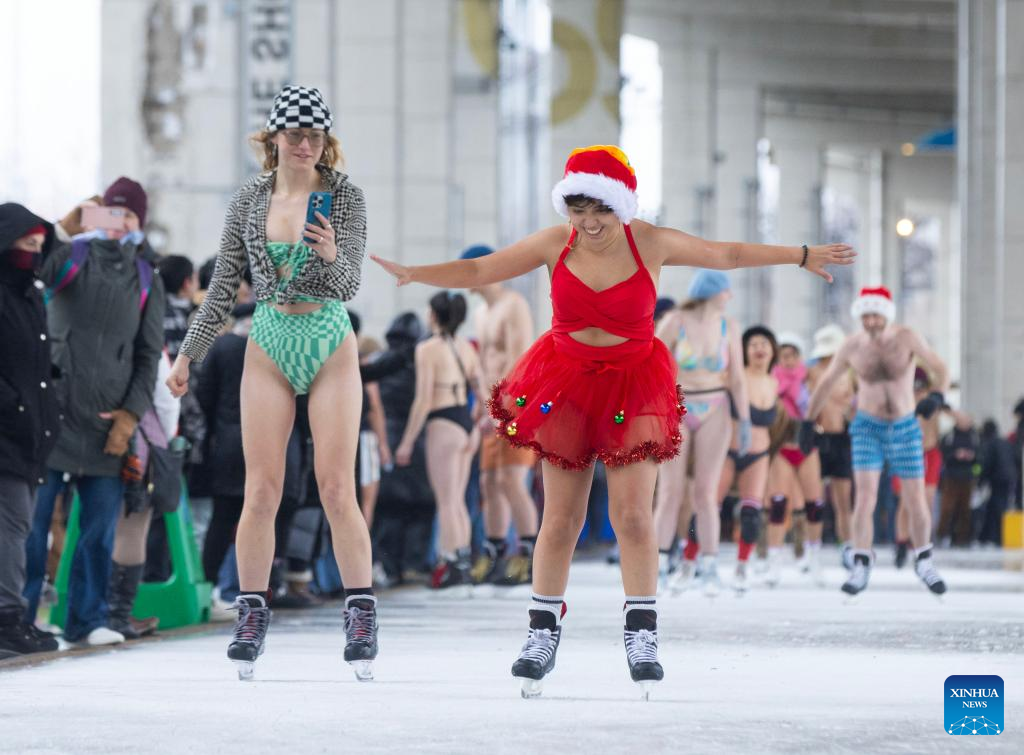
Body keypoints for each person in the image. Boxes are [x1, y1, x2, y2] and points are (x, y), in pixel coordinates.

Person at [373, 144, 853, 696]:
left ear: (619, 205)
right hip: (565, 384)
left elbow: (729, 254)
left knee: (632, 516)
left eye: (598, 210)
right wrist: (416, 272)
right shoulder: (558, 242)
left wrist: (800, 254)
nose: (589, 223)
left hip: (633, 383)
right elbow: (482, 267)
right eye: (578, 211)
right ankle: (542, 631)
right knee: (561, 520)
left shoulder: (648, 240)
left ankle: (642, 630)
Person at [167, 85, 376, 681]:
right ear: (274, 139)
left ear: (326, 141)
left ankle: (360, 611)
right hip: (268, 341)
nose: (306, 145)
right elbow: (222, 288)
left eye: (316, 136)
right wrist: (188, 357)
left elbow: (348, 285)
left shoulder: (345, 197)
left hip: (329, 340)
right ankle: (250, 613)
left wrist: (333, 252)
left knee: (337, 488)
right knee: (261, 490)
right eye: (295, 135)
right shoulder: (248, 201)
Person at [23, 178, 167, 647]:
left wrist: (130, 416)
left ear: (138, 223)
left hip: (108, 429)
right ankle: (19, 619)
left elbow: (149, 356)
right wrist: (62, 228)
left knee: (99, 531)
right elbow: (30, 271)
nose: (117, 223)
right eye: (110, 212)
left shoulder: (147, 278)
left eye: (127, 216)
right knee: (32, 526)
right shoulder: (73, 256)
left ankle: (88, 620)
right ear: (96, 214)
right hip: (53, 419)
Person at [803, 286, 948, 597]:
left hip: (906, 426)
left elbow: (940, 368)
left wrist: (937, 397)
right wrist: (807, 421)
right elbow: (826, 382)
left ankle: (923, 558)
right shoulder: (852, 346)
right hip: (867, 426)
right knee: (865, 497)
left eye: (876, 314)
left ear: (886, 314)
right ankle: (861, 561)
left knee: (915, 497)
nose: (870, 320)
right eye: (865, 315)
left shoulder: (906, 337)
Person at [653, 270, 749, 597]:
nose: (730, 296)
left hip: (716, 405)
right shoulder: (675, 321)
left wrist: (745, 419)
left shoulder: (729, 326)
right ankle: (657, 566)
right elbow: (651, 363)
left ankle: (708, 566)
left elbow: (736, 377)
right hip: (679, 404)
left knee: (707, 494)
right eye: (726, 290)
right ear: (711, 292)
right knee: (669, 491)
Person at [0, 204, 60, 658]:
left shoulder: (30, 295)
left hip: (28, 435)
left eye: (40, 245)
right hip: (9, 432)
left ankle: (14, 616)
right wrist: (17, 407)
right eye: (26, 245)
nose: (34, 253)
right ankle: (6, 618)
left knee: (19, 526)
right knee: (14, 526)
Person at [462, 245, 540, 589]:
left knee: (511, 479)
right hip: (493, 407)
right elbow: (482, 366)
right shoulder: (481, 313)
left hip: (516, 404)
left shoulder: (514, 306)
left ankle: (529, 555)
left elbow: (520, 359)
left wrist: (503, 406)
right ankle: (495, 553)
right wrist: (483, 406)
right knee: (489, 483)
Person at [395, 292, 484, 592]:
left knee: (446, 501)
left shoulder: (427, 349)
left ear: (434, 315)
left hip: (442, 422)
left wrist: (407, 442)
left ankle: (450, 565)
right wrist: (476, 421)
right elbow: (483, 394)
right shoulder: (467, 348)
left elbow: (422, 401)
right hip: (464, 423)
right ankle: (462, 561)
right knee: (457, 500)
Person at [716, 326, 778, 592]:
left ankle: (742, 566)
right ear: (744, 350)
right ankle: (691, 560)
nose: (759, 348)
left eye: (765, 343)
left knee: (752, 514)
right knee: (708, 508)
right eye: (753, 344)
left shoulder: (775, 383)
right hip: (727, 451)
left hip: (759, 455)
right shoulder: (733, 376)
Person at [763, 332, 826, 586]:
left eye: (793, 355)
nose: (788, 360)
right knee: (778, 503)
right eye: (783, 356)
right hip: (782, 444)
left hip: (807, 444)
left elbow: (821, 408)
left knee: (814, 504)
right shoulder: (771, 380)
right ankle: (773, 561)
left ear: (800, 357)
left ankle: (814, 559)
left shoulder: (810, 378)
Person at [806, 324, 855, 568]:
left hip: (843, 438)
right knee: (812, 498)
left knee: (843, 500)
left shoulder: (851, 373)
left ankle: (847, 545)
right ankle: (810, 548)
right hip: (818, 437)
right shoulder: (812, 373)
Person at [890, 367, 944, 567]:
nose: (917, 390)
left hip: (930, 453)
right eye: (913, 386)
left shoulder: (933, 401)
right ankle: (902, 543)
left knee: (927, 501)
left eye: (920, 386)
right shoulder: (902, 402)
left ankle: (921, 545)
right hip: (907, 452)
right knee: (906, 501)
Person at [937, 412, 979, 547]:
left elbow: (980, 456)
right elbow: (942, 455)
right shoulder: (950, 436)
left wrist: (973, 458)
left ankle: (962, 538)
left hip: (968, 477)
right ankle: (942, 535)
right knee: (947, 508)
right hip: (951, 477)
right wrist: (955, 455)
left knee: (965, 509)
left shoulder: (975, 437)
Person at [977, 419, 1016, 545]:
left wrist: (981, 481)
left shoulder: (989, 443)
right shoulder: (1004, 441)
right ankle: (995, 537)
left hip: (998, 479)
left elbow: (986, 464)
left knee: (997, 507)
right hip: (1009, 478)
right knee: (1001, 506)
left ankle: (996, 538)